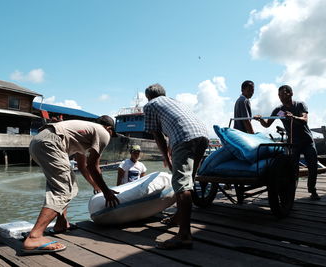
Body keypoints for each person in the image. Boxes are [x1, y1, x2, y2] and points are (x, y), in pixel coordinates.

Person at [22, 115, 119, 254]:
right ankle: (34, 237)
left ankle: (61, 224)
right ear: (109, 128)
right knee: (62, 190)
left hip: (38, 142)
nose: (110, 137)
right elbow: (93, 166)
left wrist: (95, 186)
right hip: (51, 143)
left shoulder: (86, 131)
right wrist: (106, 191)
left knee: (69, 184)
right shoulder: (103, 132)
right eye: (111, 133)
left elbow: (82, 166)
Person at [143, 83, 208, 250]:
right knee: (189, 181)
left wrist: (167, 157)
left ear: (149, 97)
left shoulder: (150, 105)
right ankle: (179, 217)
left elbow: (158, 135)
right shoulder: (174, 101)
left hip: (183, 137)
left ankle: (184, 235)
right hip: (202, 134)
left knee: (182, 185)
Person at [254, 85, 320, 200]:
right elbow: (267, 124)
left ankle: (312, 190)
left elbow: (304, 120)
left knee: (313, 167)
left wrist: (293, 117)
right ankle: (291, 192)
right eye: (279, 95)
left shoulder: (300, 105)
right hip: (293, 143)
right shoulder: (279, 111)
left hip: (307, 141)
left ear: (291, 93)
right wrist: (260, 120)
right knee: (292, 169)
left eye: (284, 94)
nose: (281, 97)